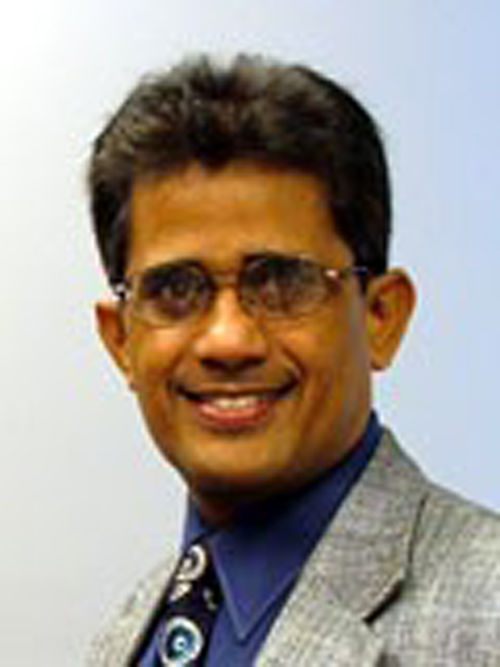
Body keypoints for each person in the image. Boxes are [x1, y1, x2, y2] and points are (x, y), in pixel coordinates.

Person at [87, 54, 500, 666]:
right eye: (175, 289)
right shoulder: (127, 635)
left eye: (281, 282)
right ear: (121, 339)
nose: (228, 340)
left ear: (381, 317)